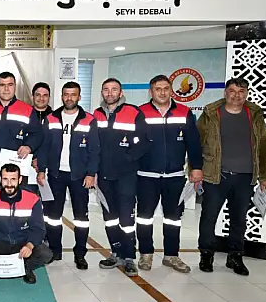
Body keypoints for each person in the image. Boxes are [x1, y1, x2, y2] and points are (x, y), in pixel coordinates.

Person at [197, 77, 266, 276]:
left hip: (245, 178)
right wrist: (195, 169)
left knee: (239, 219)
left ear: (246, 93)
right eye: (232, 91)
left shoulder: (254, 115)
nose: (236, 95)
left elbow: (265, 147)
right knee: (208, 217)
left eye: (241, 91)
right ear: (225, 92)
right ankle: (206, 254)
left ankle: (235, 256)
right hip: (215, 176)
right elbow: (197, 143)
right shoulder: (211, 113)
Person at [136, 75, 203, 273]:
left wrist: (196, 167)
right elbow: (133, 143)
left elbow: (193, 143)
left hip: (175, 176)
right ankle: (146, 254)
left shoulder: (184, 112)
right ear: (151, 92)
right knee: (144, 217)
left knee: (173, 218)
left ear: (171, 90)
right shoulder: (141, 112)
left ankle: (171, 255)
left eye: (166, 88)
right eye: (158, 89)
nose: (162, 92)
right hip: (146, 176)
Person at [36, 82, 99, 269]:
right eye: (66, 94)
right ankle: (55, 251)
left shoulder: (89, 120)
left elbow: (94, 150)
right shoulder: (51, 118)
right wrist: (41, 170)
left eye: (73, 94)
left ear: (79, 97)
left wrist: (91, 173)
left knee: (81, 218)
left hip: (80, 176)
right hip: (56, 175)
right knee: (53, 216)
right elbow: (44, 147)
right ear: (61, 96)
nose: (69, 98)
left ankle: (80, 254)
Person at [92, 78, 148, 276]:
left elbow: (144, 142)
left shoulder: (133, 112)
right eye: (106, 89)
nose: (110, 93)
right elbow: (92, 144)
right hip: (104, 176)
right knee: (110, 218)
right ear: (102, 92)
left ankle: (129, 257)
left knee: (126, 218)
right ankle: (116, 253)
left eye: (114, 89)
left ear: (120, 92)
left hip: (126, 176)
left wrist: (128, 158)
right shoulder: (96, 114)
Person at [0, 164, 53, 283]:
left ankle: (26, 268)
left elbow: (38, 229)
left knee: (46, 254)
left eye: (13, 179)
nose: (9, 184)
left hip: (22, 243)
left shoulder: (33, 199)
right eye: (5, 179)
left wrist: (30, 245)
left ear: (20, 179)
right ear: (0, 179)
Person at [0, 72, 43, 192]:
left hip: (17, 165)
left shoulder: (27, 110)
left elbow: (38, 133)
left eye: (10, 85)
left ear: (15, 87)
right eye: (2, 85)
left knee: (17, 200)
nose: (6, 89)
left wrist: (29, 147)